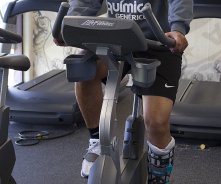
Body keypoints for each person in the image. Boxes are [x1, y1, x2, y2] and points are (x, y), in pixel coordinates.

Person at [57, 0, 193, 183]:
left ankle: (159, 175)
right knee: (84, 70)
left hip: (159, 42)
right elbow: (84, 2)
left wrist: (178, 28)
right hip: (116, 37)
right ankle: (97, 142)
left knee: (156, 122)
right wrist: (71, 23)